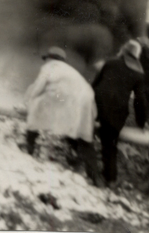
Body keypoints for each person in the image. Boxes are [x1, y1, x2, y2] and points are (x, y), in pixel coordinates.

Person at [24, 46, 103, 187]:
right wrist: (93, 117)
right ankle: (96, 177)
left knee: (37, 106)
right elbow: (86, 92)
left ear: (50, 58)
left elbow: (38, 87)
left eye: (46, 58)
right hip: (85, 100)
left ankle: (29, 146)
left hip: (64, 97)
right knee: (84, 136)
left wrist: (28, 101)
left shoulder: (49, 67)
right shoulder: (71, 71)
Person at [92, 39, 148, 186]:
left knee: (86, 134)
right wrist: (141, 122)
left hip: (96, 106)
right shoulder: (139, 74)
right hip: (115, 113)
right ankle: (110, 179)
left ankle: (79, 161)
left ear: (124, 51)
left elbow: (95, 84)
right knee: (110, 146)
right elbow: (140, 101)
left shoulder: (110, 62)